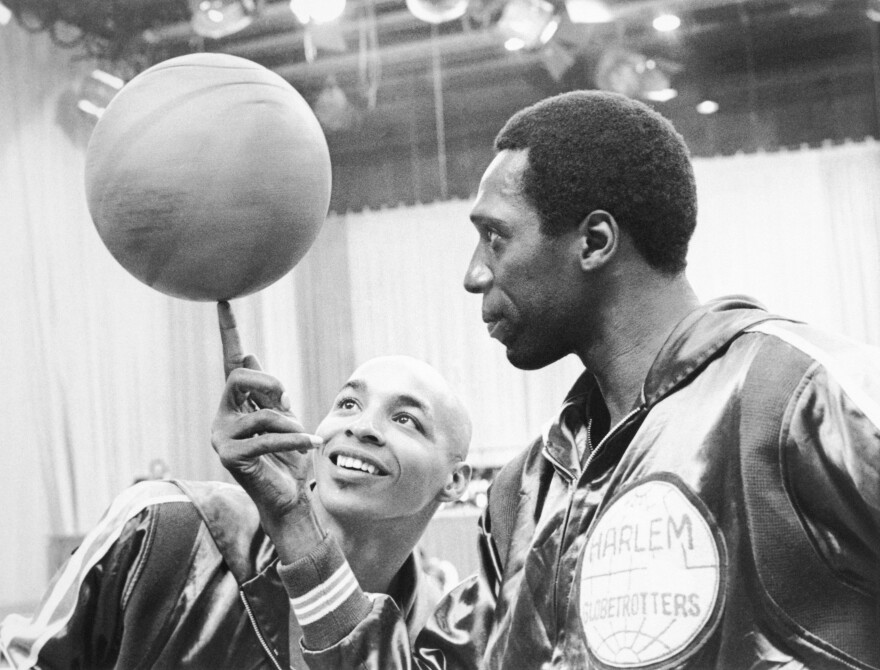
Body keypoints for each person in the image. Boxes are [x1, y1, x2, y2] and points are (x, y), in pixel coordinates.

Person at [231, 90, 880, 669]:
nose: (473, 275)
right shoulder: (522, 494)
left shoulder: (805, 392)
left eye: (495, 238)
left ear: (594, 241)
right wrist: (296, 527)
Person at [0, 302, 472, 669]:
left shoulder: (442, 633)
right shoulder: (160, 524)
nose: (362, 428)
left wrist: (294, 522)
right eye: (348, 404)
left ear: (455, 481)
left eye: (406, 419)